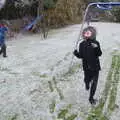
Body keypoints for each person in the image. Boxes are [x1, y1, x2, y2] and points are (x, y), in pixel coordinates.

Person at [73, 26, 102, 105]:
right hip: (87, 66)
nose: (87, 34)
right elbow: (81, 55)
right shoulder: (81, 44)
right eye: (86, 33)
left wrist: (96, 48)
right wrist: (76, 54)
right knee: (88, 79)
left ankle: (91, 97)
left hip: (95, 66)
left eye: (89, 33)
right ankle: (87, 84)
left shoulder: (95, 43)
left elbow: (99, 54)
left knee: (94, 82)